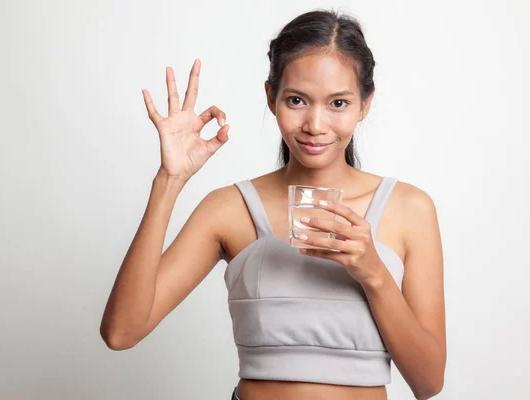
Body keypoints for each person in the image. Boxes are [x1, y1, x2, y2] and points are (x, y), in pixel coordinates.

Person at [100, 9, 446, 400]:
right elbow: (121, 332)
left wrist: (374, 274)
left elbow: (428, 382)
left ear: (364, 105)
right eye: (297, 100)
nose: (315, 124)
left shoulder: (410, 209)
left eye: (338, 103)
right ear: (271, 97)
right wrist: (169, 180)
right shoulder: (229, 209)